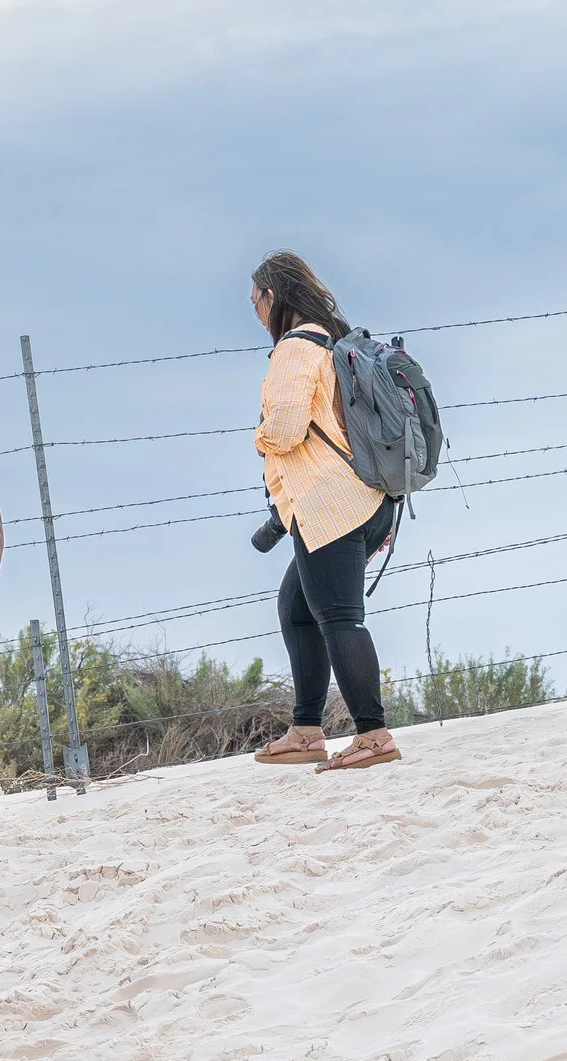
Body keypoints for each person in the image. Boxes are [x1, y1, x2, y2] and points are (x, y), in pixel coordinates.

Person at [245, 252, 402, 772]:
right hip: (366, 501)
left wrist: (258, 437)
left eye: (256, 302)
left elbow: (286, 428)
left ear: (274, 297)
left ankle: (372, 735)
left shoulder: (294, 349)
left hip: (329, 506)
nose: (256, 313)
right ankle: (308, 730)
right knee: (296, 607)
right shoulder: (331, 341)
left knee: (340, 618)